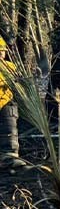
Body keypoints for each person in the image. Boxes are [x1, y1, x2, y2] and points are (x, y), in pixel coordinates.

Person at [0, 37, 22, 171]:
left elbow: (19, 82)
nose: (1, 53)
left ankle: (10, 158)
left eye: (2, 51)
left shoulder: (10, 67)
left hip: (6, 104)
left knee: (9, 131)